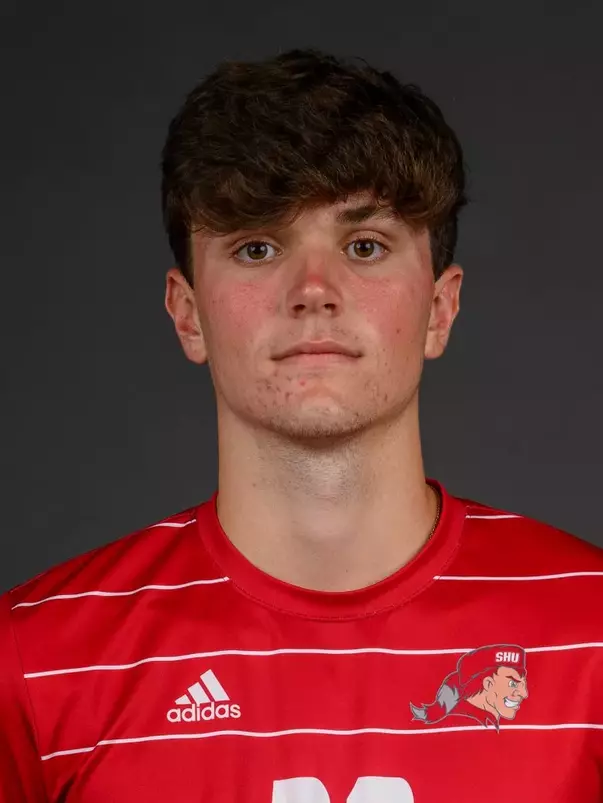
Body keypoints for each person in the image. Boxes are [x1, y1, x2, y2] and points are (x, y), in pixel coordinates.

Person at [1, 48, 602, 803]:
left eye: (364, 246)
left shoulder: (593, 632)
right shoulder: (33, 663)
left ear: (439, 308)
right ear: (188, 314)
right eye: (257, 247)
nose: (314, 290)